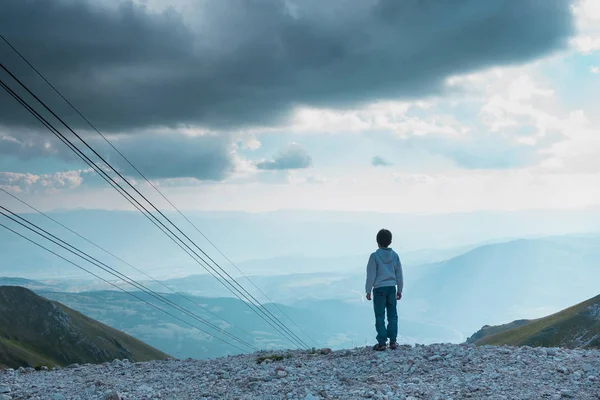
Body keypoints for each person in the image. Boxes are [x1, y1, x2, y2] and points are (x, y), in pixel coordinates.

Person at [365, 228, 403, 351]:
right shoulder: (395, 256)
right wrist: (400, 289)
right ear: (390, 241)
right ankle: (393, 341)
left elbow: (371, 274)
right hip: (392, 288)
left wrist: (368, 290)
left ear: (378, 242)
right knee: (393, 315)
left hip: (379, 289)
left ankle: (382, 343)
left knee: (380, 316)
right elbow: (399, 274)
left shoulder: (374, 256)